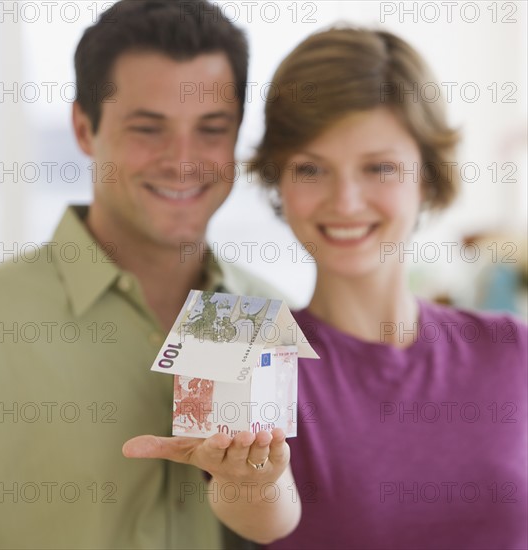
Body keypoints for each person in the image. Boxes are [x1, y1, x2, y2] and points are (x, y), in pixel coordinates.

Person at [127, 26, 527, 549]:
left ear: (426, 177)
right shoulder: (233, 344)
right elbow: (265, 518)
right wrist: (251, 480)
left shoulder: (511, 348)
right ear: (278, 180)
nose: (346, 201)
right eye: (312, 169)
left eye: (379, 167)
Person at [0, 1, 297, 548]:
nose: (182, 160)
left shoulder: (263, 314)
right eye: (148, 129)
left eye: (211, 129)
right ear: (84, 128)